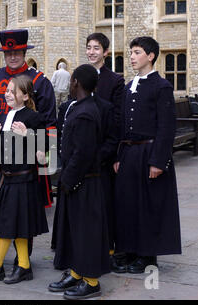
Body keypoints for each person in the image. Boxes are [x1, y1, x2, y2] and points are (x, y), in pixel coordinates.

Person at [0, 29, 56, 263]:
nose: (13, 57)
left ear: (24, 52)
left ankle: (22, 259)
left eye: (17, 52)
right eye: (8, 52)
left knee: (23, 211)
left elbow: (49, 125)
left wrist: (45, 163)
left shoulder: (40, 80)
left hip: (26, 158)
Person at [113, 36, 181, 273]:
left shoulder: (161, 86)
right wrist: (119, 156)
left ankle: (148, 256)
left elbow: (166, 126)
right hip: (130, 153)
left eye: (137, 52)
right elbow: (122, 124)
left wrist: (159, 161)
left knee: (149, 206)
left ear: (150, 56)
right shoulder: (129, 85)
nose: (132, 56)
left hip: (151, 152)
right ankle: (130, 251)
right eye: (131, 52)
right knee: (128, 204)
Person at [0, 75, 48, 284]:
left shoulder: (34, 117)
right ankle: (24, 266)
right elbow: (2, 156)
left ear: (25, 96)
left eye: (12, 90)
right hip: (7, 179)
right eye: (6, 90)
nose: (7, 93)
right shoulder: (5, 116)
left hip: (24, 180)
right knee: (17, 225)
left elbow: (43, 157)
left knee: (7, 225)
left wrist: (28, 136)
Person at [49, 64, 110, 300]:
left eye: (72, 79)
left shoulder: (85, 112)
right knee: (75, 231)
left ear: (76, 83)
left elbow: (82, 154)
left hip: (84, 181)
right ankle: (76, 272)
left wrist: (67, 179)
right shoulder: (82, 107)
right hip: (78, 181)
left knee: (87, 232)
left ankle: (91, 281)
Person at [86, 32, 125, 269]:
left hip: (104, 150)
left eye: (96, 48)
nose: (91, 52)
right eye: (89, 47)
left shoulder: (114, 81)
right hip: (83, 150)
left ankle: (108, 249)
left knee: (105, 202)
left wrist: (114, 153)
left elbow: (118, 119)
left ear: (106, 52)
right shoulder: (79, 76)